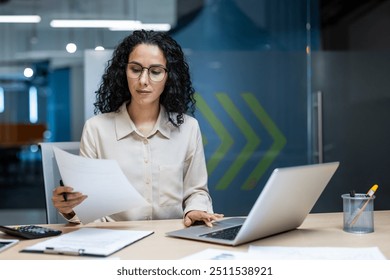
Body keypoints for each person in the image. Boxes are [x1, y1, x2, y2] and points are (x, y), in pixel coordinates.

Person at [52, 30, 223, 227]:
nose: (143, 80)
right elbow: (88, 203)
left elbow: (196, 191)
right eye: (135, 69)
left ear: (169, 77)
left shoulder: (188, 128)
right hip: (114, 241)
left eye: (155, 72)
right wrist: (70, 207)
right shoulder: (96, 128)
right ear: (123, 72)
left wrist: (195, 210)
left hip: (172, 240)